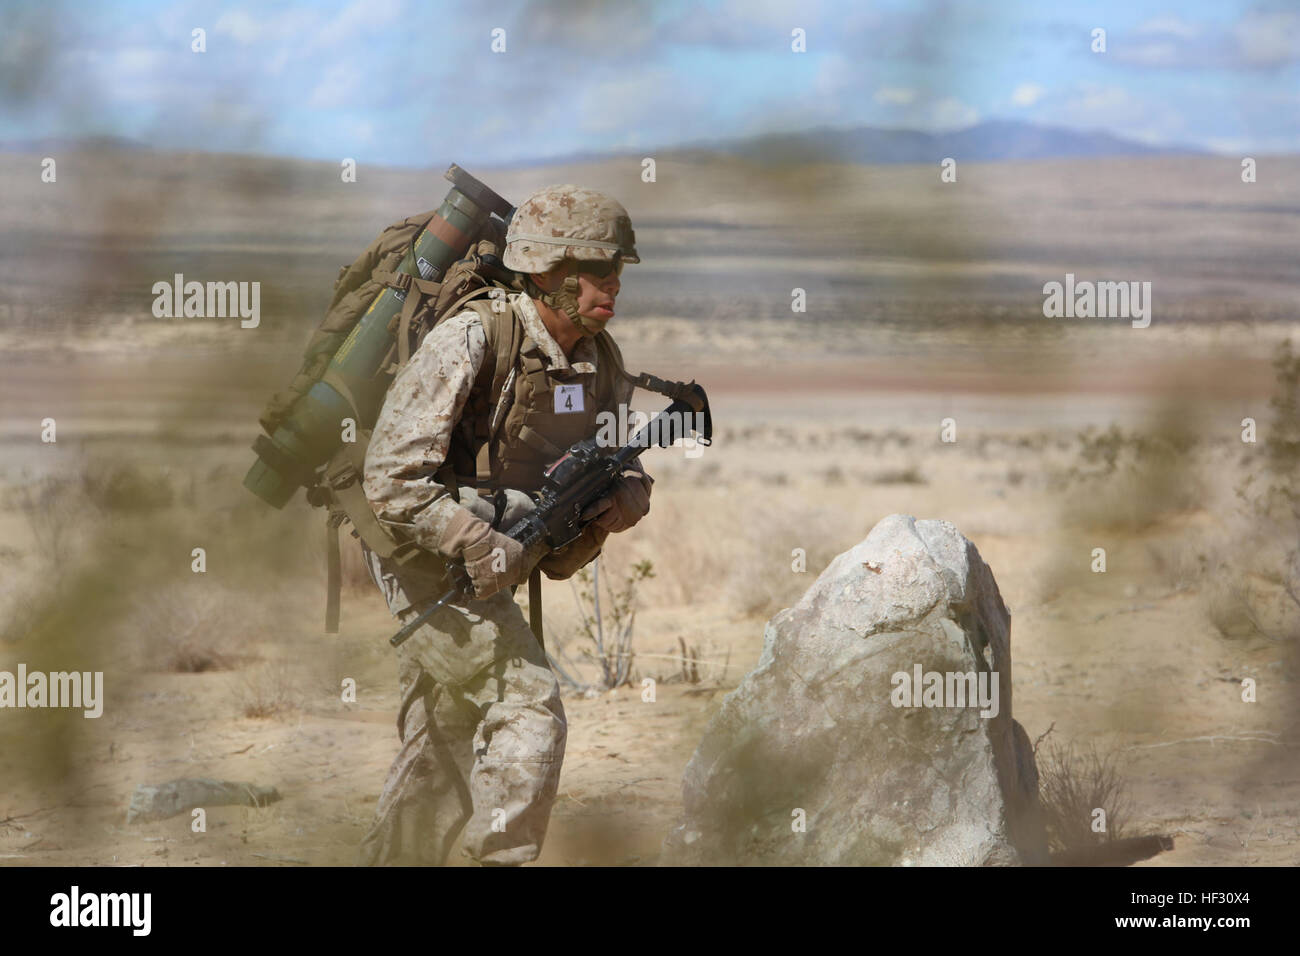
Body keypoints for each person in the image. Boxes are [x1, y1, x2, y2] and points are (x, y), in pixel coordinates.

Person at [356, 184, 653, 865]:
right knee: (528, 708)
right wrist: (476, 541)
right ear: (548, 271)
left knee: (445, 739)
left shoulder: (599, 358)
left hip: (501, 556)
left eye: (619, 271)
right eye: (598, 269)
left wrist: (631, 496)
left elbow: (623, 459)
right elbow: (391, 479)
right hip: (424, 557)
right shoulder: (474, 336)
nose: (613, 284)